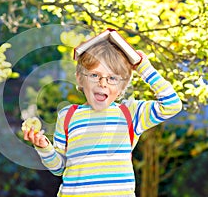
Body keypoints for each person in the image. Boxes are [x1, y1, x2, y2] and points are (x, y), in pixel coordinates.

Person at [23, 39, 182, 196]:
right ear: (80, 78)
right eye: (94, 75)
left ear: (122, 87)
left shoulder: (130, 113)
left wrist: (144, 68)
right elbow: (59, 168)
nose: (102, 83)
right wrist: (44, 148)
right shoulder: (68, 116)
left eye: (112, 78)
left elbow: (172, 105)